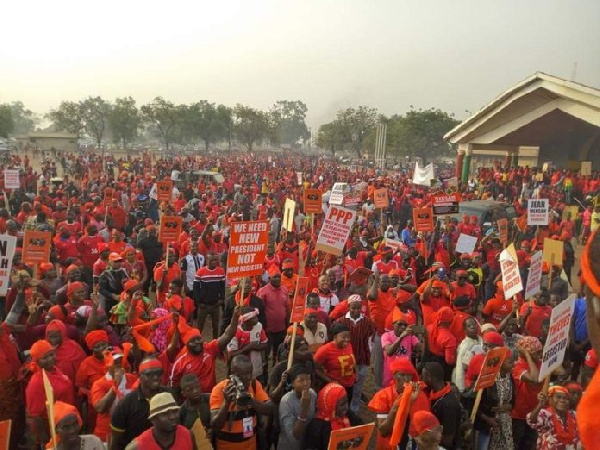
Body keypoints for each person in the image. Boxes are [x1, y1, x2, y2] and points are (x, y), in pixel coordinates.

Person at [169, 307, 240, 394]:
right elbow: (174, 387)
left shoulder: (209, 348)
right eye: (193, 341)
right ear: (186, 344)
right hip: (191, 401)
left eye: (198, 339)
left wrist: (235, 316)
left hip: (211, 396)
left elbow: (228, 335)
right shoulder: (180, 362)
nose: (197, 343)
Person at [210, 355, 274, 449]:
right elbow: (215, 426)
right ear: (233, 373)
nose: (248, 377)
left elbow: (270, 409)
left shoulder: (254, 385)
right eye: (244, 374)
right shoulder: (219, 390)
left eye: (250, 373)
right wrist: (226, 403)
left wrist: (250, 400)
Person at [110, 357, 173, 450]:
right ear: (139, 376)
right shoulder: (125, 405)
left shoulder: (170, 396)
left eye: (159, 373)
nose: (155, 377)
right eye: (149, 374)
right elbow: (116, 443)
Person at [368, 358, 429, 449]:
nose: (406, 379)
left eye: (409, 375)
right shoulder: (384, 396)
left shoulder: (420, 396)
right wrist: (396, 407)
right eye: (402, 375)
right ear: (394, 376)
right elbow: (384, 431)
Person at [26, 340, 76, 446]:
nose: (50, 359)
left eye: (52, 354)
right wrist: (46, 440)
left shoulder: (54, 370)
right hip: (53, 430)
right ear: (37, 361)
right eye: (45, 358)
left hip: (66, 424)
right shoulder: (36, 382)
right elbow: (36, 416)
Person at [335, 294, 376, 413]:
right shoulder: (341, 321)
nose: (356, 310)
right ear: (348, 307)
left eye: (358, 307)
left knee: (358, 387)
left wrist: (369, 354)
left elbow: (370, 340)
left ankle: (354, 409)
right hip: (346, 361)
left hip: (362, 359)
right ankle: (343, 409)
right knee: (346, 387)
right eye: (353, 308)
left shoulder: (367, 322)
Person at [90, 349, 138, 442]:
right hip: (107, 434)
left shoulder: (132, 378)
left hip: (130, 432)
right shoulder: (99, 384)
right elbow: (100, 408)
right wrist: (115, 385)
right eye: (115, 362)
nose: (119, 365)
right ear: (107, 365)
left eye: (121, 361)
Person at [125, 392, 197, 450]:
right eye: (165, 414)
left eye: (175, 411)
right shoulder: (137, 447)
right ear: (153, 420)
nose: (172, 417)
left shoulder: (187, 435)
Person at [511, 336, 544, 450]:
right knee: (517, 444)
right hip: (519, 414)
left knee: (531, 444)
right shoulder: (517, 366)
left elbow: (561, 371)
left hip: (535, 412)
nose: (540, 354)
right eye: (537, 352)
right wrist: (528, 356)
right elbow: (534, 378)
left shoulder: (540, 362)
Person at [421, 362, 462, 450]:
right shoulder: (433, 393)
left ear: (429, 377)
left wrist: (423, 435)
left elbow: (448, 440)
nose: (421, 380)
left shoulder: (449, 405)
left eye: (423, 376)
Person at [305, 382, 357, 450]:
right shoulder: (317, 426)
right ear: (331, 406)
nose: (346, 407)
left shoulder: (348, 415)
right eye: (342, 405)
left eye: (347, 402)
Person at [277, 364, 317, 450]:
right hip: (290, 446)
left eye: (308, 379)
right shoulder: (286, 402)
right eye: (301, 380)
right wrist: (303, 410)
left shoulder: (312, 394)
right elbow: (293, 437)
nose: (306, 383)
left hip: (307, 444)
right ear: (292, 384)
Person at [257, 266, 290, 366]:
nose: (277, 279)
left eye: (279, 277)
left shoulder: (285, 290)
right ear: (269, 278)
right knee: (265, 353)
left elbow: (287, 308)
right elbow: (260, 312)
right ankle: (265, 372)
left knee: (279, 351)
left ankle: (276, 367)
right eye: (275, 277)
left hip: (281, 328)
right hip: (268, 330)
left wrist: (287, 324)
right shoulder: (263, 292)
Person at [314, 323, 356, 398]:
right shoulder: (325, 350)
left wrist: (356, 373)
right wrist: (329, 381)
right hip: (335, 387)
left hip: (349, 385)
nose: (347, 340)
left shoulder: (349, 345)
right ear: (335, 337)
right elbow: (315, 367)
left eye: (348, 337)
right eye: (343, 337)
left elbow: (351, 360)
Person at [179, 373, 213, 448]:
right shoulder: (182, 411)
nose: (195, 391)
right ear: (183, 393)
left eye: (197, 387)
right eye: (190, 390)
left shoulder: (211, 399)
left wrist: (213, 429)